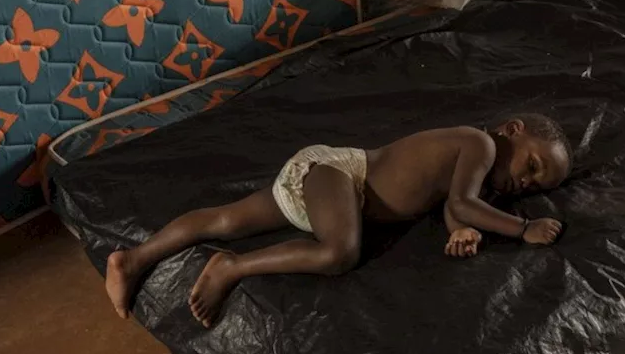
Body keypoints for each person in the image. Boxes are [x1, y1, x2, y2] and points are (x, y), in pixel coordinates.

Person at [105, 114, 573, 327]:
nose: (526, 183)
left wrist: (461, 233)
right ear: (514, 130)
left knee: (225, 218)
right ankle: (232, 267)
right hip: (338, 175)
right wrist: (521, 228)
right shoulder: (481, 144)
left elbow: (457, 206)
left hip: (330, 181)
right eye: (532, 165)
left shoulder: (482, 175)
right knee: (339, 253)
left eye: (537, 186)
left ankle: (132, 258)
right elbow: (464, 201)